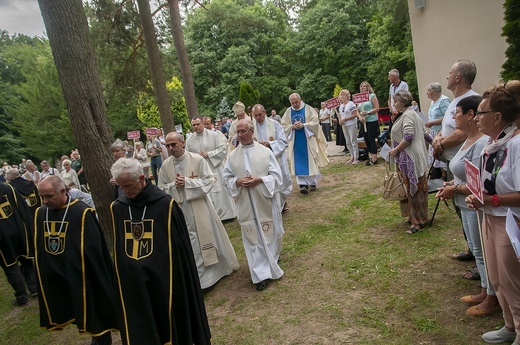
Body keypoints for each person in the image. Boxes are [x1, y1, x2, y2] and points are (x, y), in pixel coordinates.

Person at [110, 158, 212, 344]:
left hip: (164, 278)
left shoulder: (165, 205)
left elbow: (179, 253)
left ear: (142, 178)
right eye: (121, 187)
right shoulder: (119, 208)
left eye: (129, 186)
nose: (125, 191)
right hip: (135, 281)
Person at [465, 81, 520, 345]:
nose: (475, 118)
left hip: (510, 222)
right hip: (490, 217)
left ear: (498, 117)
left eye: (481, 113)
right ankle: (509, 326)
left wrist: (491, 199)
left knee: (513, 282)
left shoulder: (516, 144)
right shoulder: (493, 144)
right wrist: (479, 197)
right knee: (498, 279)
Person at [435, 95, 499, 317]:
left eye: (457, 112)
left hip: (474, 205)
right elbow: (464, 174)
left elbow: (480, 182)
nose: (453, 116)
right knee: (476, 248)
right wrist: (452, 184)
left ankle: (491, 297)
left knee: (481, 252)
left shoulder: (481, 143)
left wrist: (456, 189)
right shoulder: (469, 140)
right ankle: (485, 290)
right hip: (464, 203)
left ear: (471, 115)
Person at [35, 176, 118, 344]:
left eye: (49, 196)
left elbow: (95, 252)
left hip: (82, 276)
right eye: (41, 196)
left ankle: (101, 338)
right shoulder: (41, 213)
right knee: (70, 308)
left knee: (94, 311)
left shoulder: (81, 212)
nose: (45, 201)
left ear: (63, 191)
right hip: (57, 276)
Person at [158, 132, 239, 289]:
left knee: (203, 239)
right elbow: (161, 188)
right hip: (179, 209)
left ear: (182, 143)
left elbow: (209, 180)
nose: (170, 148)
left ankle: (208, 278)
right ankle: (195, 276)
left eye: (173, 144)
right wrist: (174, 186)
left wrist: (187, 183)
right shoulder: (165, 166)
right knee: (189, 241)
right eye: (168, 145)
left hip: (199, 206)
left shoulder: (197, 160)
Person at [223, 119, 285, 291]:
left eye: (243, 131)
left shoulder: (265, 152)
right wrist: (238, 181)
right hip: (246, 204)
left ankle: (271, 259)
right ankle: (260, 275)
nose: (240, 135)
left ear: (252, 132)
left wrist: (260, 180)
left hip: (263, 200)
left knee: (268, 233)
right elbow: (226, 178)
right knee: (253, 238)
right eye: (238, 132)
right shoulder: (233, 156)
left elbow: (277, 177)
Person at [432, 60, 479, 261]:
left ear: (458, 77)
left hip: (467, 163)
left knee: (470, 208)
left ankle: (479, 253)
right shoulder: (454, 101)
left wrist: (440, 145)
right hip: (454, 162)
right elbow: (448, 127)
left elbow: (462, 133)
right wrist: (437, 138)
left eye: (450, 73)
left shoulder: (472, 100)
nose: (447, 77)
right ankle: (471, 248)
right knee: (460, 207)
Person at [388, 90, 430, 234]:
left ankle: (417, 221)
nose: (394, 104)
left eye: (395, 102)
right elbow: (425, 134)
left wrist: (396, 150)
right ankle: (417, 216)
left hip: (410, 158)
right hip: (415, 158)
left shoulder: (408, 115)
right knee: (417, 188)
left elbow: (409, 136)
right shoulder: (413, 114)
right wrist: (434, 143)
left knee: (414, 190)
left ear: (401, 102)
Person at [186, 117, 237, 221]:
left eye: (198, 124)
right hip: (201, 170)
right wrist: (196, 157)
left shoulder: (214, 135)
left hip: (215, 167)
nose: (196, 127)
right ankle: (211, 216)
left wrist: (208, 154)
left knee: (219, 192)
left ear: (202, 124)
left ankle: (227, 215)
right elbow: (187, 155)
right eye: (194, 125)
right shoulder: (190, 140)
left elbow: (222, 149)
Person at [281, 93, 329, 194]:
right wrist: (292, 127)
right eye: (292, 103)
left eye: (296, 102)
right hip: (295, 140)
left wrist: (304, 125)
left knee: (310, 161)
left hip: (307, 140)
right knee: (297, 161)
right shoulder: (288, 111)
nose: (294, 104)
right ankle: (302, 185)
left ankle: (312, 183)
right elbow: (284, 125)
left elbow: (315, 122)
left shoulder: (309, 109)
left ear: (300, 100)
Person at [0, 181, 37, 307]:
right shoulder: (7, 187)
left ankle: (22, 296)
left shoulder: (8, 187)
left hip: (2, 236)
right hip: (17, 229)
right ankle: (34, 288)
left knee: (10, 266)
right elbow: (21, 207)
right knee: (25, 259)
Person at [251, 104, 292, 213]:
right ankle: (269, 206)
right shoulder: (251, 127)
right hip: (261, 160)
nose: (258, 118)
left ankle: (282, 203)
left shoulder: (275, 124)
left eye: (260, 114)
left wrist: (269, 144)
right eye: (256, 116)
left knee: (281, 181)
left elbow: (283, 142)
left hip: (276, 158)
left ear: (264, 112)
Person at [424, 82, 450, 178]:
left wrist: (433, 123)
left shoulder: (444, 101)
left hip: (441, 133)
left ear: (435, 92)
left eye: (428, 91)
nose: (427, 93)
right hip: (433, 132)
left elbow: (448, 117)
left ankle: (446, 178)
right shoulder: (433, 102)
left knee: (441, 156)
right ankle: (439, 178)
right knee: (434, 158)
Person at [357, 81, 380, 166]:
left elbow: (377, 108)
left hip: (372, 120)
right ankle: (370, 155)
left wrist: (368, 113)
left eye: (364, 86)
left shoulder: (372, 96)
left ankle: (375, 157)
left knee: (371, 138)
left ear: (367, 87)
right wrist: (360, 117)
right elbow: (357, 110)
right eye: (361, 86)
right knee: (366, 139)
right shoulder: (359, 98)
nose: (362, 87)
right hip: (363, 122)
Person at [338, 89, 360, 165]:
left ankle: (356, 157)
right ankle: (352, 156)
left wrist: (346, 119)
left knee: (353, 140)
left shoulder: (351, 104)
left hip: (351, 124)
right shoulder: (341, 106)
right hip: (344, 125)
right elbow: (340, 115)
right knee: (348, 141)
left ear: (347, 96)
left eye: (344, 95)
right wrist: (340, 120)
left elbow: (355, 114)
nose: (342, 96)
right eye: (341, 95)